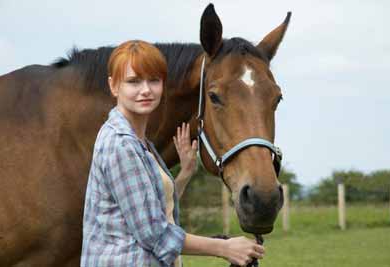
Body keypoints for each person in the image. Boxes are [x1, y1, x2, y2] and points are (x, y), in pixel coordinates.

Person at [81, 40, 264, 267]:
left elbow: (150, 210)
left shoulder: (139, 142)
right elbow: (155, 234)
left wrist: (185, 173)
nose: (146, 90)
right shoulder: (120, 145)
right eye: (133, 81)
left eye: (154, 80)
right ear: (114, 86)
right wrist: (225, 248)